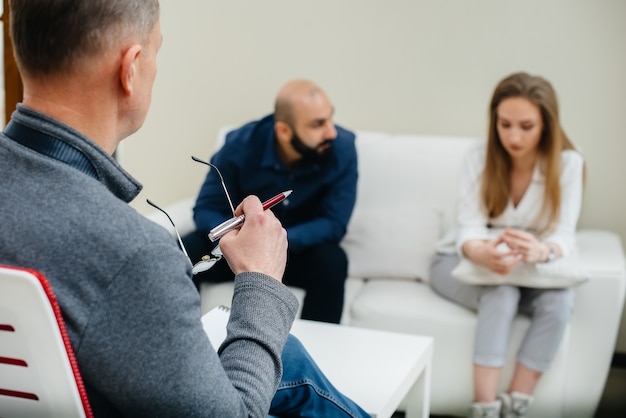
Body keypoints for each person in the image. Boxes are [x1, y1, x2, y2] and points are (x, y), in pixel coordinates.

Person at [0, 1, 369, 417]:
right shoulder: (138, 255)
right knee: (290, 359)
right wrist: (260, 275)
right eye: (158, 50)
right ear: (132, 68)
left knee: (295, 351)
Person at [429, 72, 584, 418]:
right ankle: (484, 408)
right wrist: (479, 251)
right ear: (494, 121)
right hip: (460, 262)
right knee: (501, 293)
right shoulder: (479, 157)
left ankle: (516, 405)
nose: (514, 136)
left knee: (560, 302)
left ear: (547, 124)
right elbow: (468, 227)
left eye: (526, 126)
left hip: (531, 270)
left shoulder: (569, 164)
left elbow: (564, 235)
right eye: (505, 124)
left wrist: (543, 251)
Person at [183, 79, 358, 324]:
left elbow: (334, 222)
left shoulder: (343, 149)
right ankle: (181, 342)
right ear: (284, 131)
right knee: (186, 251)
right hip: (240, 249)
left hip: (298, 251)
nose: (332, 132)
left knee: (332, 262)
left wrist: (274, 238)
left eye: (330, 118)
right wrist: (243, 237)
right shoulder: (239, 145)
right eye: (319, 124)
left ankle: (316, 354)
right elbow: (206, 208)